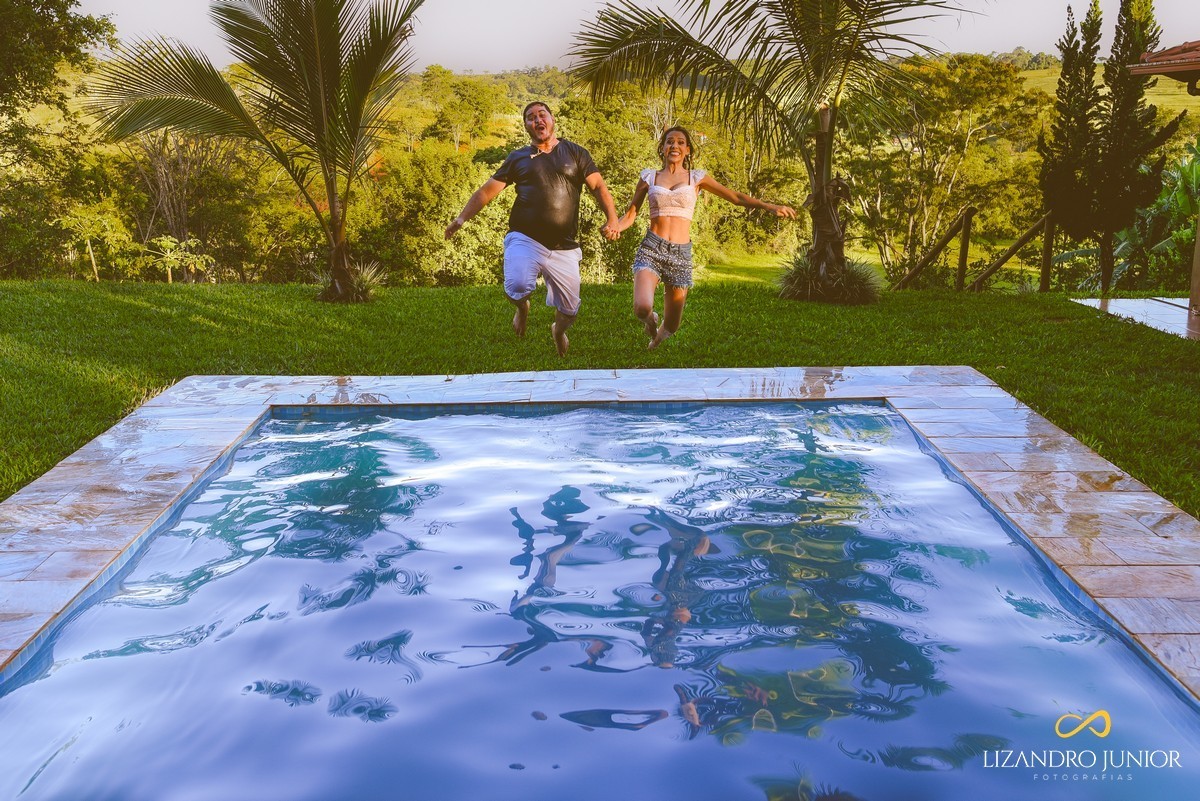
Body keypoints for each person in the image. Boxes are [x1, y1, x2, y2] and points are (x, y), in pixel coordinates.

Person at [445, 101, 620, 356]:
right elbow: (486, 191)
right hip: (525, 238)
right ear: (526, 126)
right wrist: (461, 219)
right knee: (516, 286)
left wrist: (612, 219)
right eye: (530, 117)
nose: (537, 120)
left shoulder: (576, 153)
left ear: (552, 120)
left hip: (565, 246)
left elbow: (599, 188)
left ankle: (558, 332)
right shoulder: (518, 158)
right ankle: (522, 308)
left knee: (570, 310)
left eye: (542, 115)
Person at [611, 126, 796, 349]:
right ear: (662, 148)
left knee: (671, 326)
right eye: (670, 141)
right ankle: (650, 320)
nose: (675, 146)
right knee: (641, 307)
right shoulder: (649, 177)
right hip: (652, 248)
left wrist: (769, 206)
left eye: (680, 142)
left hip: (680, 253)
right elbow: (631, 214)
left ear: (687, 150)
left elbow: (735, 197)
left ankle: (656, 340)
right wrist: (616, 227)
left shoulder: (696, 178)